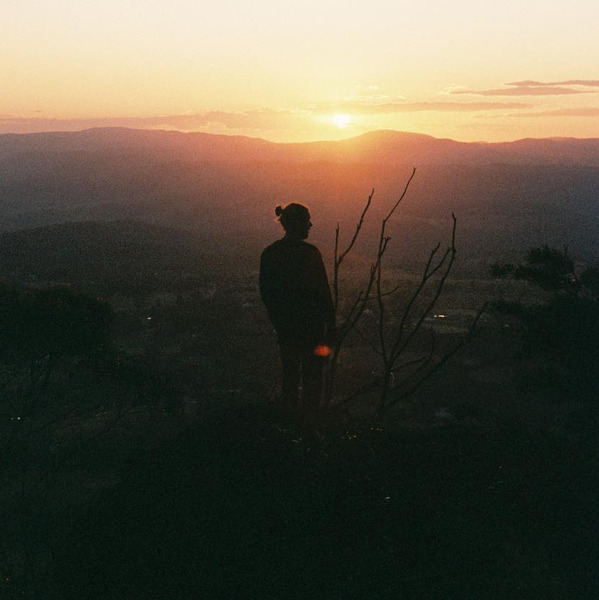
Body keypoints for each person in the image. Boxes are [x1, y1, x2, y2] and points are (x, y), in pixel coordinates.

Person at [260, 203, 335, 414]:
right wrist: (331, 327)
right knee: (313, 380)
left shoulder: (271, 253)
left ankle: (290, 420)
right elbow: (323, 293)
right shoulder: (310, 253)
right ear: (297, 223)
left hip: (287, 330)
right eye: (307, 221)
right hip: (313, 329)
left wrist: (279, 322)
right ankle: (310, 422)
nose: (310, 225)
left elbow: (267, 294)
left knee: (290, 379)